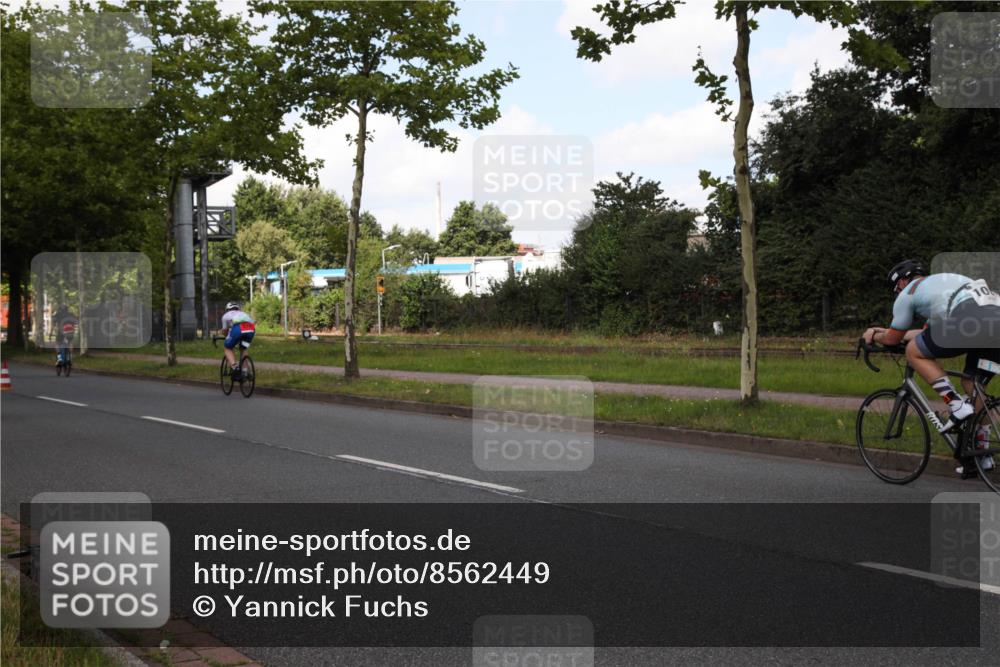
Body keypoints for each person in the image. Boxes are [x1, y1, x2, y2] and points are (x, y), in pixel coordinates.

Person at [863, 259, 1000, 474]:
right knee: (972, 384)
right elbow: (924, 335)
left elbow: (892, 339)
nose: (897, 292)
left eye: (896, 288)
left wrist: (873, 334)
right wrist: (885, 331)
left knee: (913, 352)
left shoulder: (908, 292)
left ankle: (955, 404)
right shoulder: (942, 286)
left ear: (903, 282)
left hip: (968, 318)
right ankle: (982, 457)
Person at [220, 301, 255, 378]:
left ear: (227, 309)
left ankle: (235, 367)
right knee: (243, 348)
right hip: (251, 329)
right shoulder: (244, 313)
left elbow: (225, 331)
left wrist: (227, 338)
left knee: (227, 348)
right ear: (238, 308)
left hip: (238, 329)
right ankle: (245, 371)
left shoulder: (225, 316)